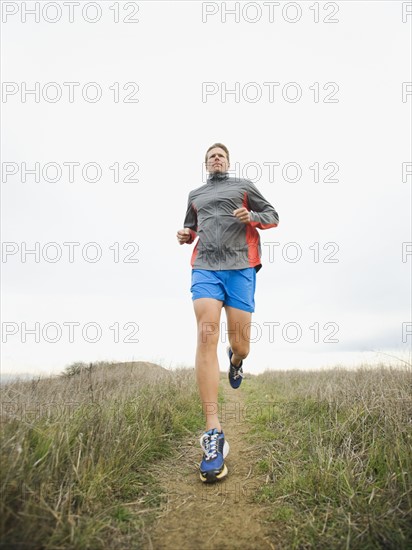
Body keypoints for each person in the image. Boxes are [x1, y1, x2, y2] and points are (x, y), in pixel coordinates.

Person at [177, 143, 279, 483]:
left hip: (240, 268)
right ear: (205, 164)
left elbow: (273, 216)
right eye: (210, 156)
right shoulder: (195, 194)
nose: (216, 159)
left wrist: (252, 217)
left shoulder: (245, 187)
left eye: (221, 155)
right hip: (205, 267)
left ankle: (236, 361)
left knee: (242, 345)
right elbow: (191, 228)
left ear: (229, 162)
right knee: (206, 332)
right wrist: (185, 234)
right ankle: (213, 433)